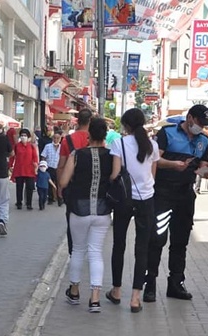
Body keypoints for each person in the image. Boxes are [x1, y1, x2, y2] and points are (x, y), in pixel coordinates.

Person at [145, 104, 208, 302]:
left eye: (204, 124)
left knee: (180, 240)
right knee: (157, 239)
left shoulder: (204, 140)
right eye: (199, 123)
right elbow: (154, 160)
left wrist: (207, 171)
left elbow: (202, 164)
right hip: (163, 193)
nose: (200, 127)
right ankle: (150, 283)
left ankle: (176, 283)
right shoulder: (167, 133)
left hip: (186, 195)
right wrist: (173, 164)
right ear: (189, 118)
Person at [59, 117, 117, 313]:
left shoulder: (77, 154)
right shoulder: (112, 155)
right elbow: (115, 177)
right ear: (105, 135)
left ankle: (74, 291)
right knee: (95, 252)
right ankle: (95, 298)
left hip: (79, 209)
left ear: (89, 134)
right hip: (102, 211)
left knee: (78, 250)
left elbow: (64, 182)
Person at [106, 108, 160, 313]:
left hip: (124, 200)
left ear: (126, 125)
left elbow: (115, 174)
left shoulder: (118, 143)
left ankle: (117, 291)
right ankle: (136, 297)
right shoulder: (152, 145)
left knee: (119, 243)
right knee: (142, 248)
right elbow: (152, 177)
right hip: (146, 199)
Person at [58, 109, 93, 255]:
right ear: (90, 121)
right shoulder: (95, 138)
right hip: (92, 186)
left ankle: (73, 251)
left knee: (72, 219)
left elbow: (61, 165)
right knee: (91, 220)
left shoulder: (67, 140)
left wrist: (60, 187)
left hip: (72, 185)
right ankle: (89, 248)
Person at [11, 128, 38, 210]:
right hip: (19, 169)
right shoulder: (17, 146)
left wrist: (36, 164)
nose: (23, 137)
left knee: (29, 187)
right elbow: (12, 156)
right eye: (22, 135)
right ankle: (19, 202)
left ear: (28, 137)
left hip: (29, 170)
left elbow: (35, 157)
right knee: (19, 187)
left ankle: (29, 203)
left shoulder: (31, 147)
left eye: (25, 135)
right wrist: (10, 165)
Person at [41, 132, 61, 205]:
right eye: (54, 138)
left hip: (58, 168)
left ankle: (59, 198)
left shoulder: (62, 147)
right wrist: (43, 166)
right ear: (52, 138)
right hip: (49, 167)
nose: (56, 139)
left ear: (60, 139)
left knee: (59, 184)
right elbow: (43, 156)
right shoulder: (47, 146)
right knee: (50, 184)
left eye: (57, 138)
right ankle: (50, 198)